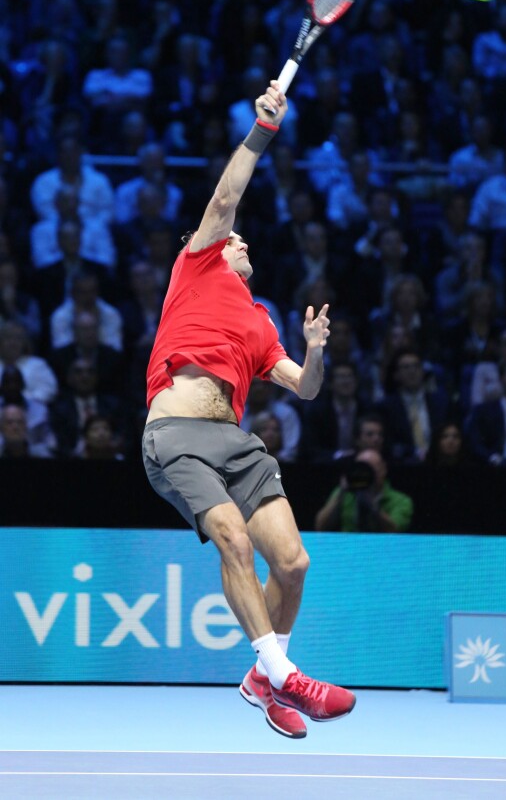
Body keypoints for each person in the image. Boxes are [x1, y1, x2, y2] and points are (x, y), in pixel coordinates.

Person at [142, 80, 355, 740]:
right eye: (233, 240)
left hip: (235, 442)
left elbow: (306, 388)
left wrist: (316, 351)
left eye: (241, 243)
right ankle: (283, 673)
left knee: (293, 564)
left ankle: (262, 678)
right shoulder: (197, 265)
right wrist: (263, 130)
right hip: (175, 433)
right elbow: (227, 197)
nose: (240, 243)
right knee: (232, 539)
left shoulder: (260, 322)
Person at [314, 448, 413, 533]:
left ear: (383, 470)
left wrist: (372, 507)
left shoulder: (401, 500)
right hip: (349, 549)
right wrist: (341, 493)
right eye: (361, 468)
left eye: (370, 468)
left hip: (383, 550)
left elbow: (395, 531)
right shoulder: (343, 494)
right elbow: (320, 527)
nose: (365, 473)